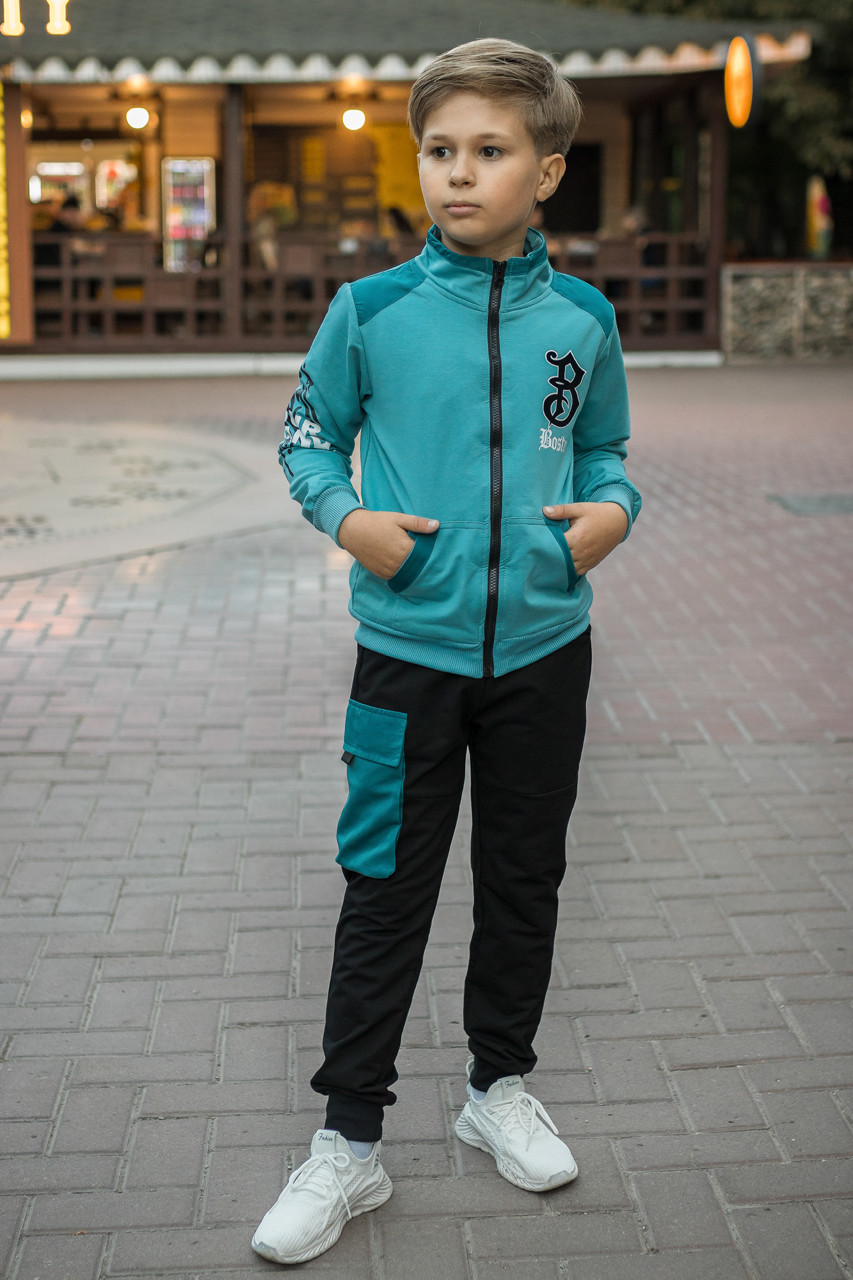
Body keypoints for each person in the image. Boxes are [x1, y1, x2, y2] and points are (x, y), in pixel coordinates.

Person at [253, 37, 641, 1266]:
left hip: (545, 651)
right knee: (383, 886)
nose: (457, 173)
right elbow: (305, 436)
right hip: (405, 655)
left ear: (547, 172)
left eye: (488, 150)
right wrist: (348, 520)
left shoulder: (583, 320)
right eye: (438, 150)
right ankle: (347, 1141)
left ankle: (496, 1088)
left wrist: (612, 510)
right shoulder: (369, 312)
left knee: (525, 877)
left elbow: (606, 450)